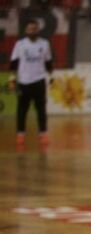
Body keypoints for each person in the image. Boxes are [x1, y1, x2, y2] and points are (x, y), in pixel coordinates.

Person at [9, 19, 53, 148]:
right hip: (24, 82)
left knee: (41, 109)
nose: (32, 31)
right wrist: (12, 80)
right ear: (26, 31)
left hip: (39, 81)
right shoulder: (20, 45)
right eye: (30, 29)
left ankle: (43, 133)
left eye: (34, 28)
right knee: (22, 110)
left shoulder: (45, 44)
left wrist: (52, 78)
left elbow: (48, 63)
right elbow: (14, 64)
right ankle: (20, 135)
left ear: (38, 30)